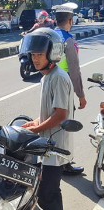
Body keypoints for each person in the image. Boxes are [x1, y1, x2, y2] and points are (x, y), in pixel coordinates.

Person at [21, 27, 74, 210]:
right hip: (47, 145)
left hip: (55, 147)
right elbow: (49, 111)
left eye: (39, 55)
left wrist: (35, 130)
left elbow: (60, 115)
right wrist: (35, 122)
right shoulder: (46, 77)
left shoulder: (58, 77)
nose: (35, 59)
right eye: (33, 54)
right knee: (48, 192)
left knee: (47, 194)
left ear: (52, 53)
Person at [54, 2, 86, 175]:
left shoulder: (48, 36)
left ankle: (53, 160)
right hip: (64, 84)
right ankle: (65, 164)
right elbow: (74, 70)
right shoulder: (68, 40)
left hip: (48, 83)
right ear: (70, 21)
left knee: (52, 122)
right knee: (66, 125)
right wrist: (80, 95)